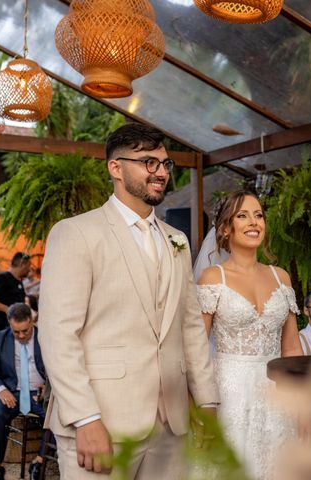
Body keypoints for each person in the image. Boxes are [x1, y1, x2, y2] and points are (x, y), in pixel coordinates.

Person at [38, 123, 219, 479]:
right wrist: (85, 418)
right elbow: (58, 334)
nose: (161, 173)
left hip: (171, 426)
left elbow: (191, 326)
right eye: (148, 162)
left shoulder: (177, 240)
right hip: (101, 422)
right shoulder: (75, 233)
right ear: (115, 168)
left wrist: (207, 401)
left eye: (165, 164)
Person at [196, 190, 303, 480]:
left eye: (258, 215)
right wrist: (203, 409)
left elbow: (292, 349)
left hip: (277, 395)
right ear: (226, 228)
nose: (253, 222)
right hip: (230, 396)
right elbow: (195, 351)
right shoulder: (212, 278)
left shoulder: (281, 277)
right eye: (242, 215)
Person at [0, 303, 46, 480]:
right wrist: (0, 390)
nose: (22, 335)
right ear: (9, 324)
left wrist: (49, 386)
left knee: (59, 414)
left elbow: (59, 367)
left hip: (39, 393)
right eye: (16, 332)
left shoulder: (46, 337)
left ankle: (38, 462)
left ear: (32, 321)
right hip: (11, 392)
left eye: (25, 330)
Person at [0, 252, 31, 338]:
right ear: (22, 263)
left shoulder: (19, 281)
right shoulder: (2, 278)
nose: (29, 269)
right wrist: (7, 309)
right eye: (28, 265)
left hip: (13, 329)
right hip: (0, 329)